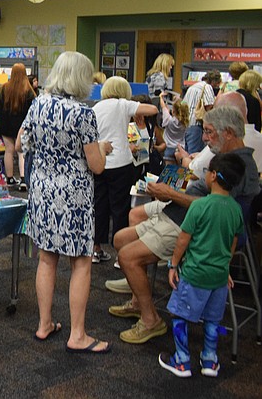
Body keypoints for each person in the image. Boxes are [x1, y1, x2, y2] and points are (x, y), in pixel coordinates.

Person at [107, 105, 259, 345]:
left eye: (209, 132)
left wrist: (173, 194)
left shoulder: (239, 167)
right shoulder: (229, 158)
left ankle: (150, 320)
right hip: (180, 214)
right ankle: (139, 302)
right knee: (120, 239)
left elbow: (215, 209)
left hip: (190, 223)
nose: (205, 138)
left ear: (228, 133)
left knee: (127, 256)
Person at [16, 51, 113, 352]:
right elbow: (96, 166)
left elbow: (21, 144)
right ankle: (78, 335)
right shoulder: (84, 114)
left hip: (42, 192)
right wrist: (104, 148)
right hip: (74, 197)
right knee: (81, 262)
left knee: (46, 258)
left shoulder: (38, 105)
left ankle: (45, 324)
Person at [158, 152, 245, 378]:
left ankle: (182, 360)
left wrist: (173, 265)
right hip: (218, 277)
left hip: (195, 273)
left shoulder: (199, 206)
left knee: (179, 315)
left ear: (213, 176)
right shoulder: (236, 210)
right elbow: (232, 243)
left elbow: (183, 239)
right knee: (213, 319)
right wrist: (225, 269)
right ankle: (209, 359)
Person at [92, 77, 158, 263]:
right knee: (120, 208)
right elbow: (152, 109)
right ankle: (120, 255)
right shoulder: (123, 104)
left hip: (100, 161)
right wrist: (137, 113)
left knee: (99, 206)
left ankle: (96, 249)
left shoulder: (97, 107)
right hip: (121, 165)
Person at [0, 63, 36, 188]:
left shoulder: (3, 88)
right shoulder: (28, 91)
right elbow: (32, 110)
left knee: (9, 150)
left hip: (5, 124)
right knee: (21, 151)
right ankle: (23, 179)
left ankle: (10, 178)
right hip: (21, 126)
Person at [182, 70, 221, 154]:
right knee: (194, 155)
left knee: (187, 154)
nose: (217, 86)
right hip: (197, 125)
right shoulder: (207, 87)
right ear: (213, 81)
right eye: (217, 83)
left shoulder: (192, 87)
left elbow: (183, 104)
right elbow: (209, 107)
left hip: (187, 125)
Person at [159, 92, 189, 163]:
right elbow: (182, 105)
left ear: (173, 111)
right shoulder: (185, 123)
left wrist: (161, 97)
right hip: (180, 150)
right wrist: (178, 100)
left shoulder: (168, 120)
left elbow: (163, 107)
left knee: (168, 172)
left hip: (168, 148)